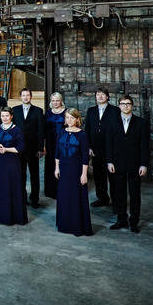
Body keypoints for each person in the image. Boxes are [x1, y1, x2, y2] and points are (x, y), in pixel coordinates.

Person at [107, 95, 150, 233]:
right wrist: (109, 161)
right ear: (119, 106)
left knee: (134, 194)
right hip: (117, 163)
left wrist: (144, 164)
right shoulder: (112, 122)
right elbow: (109, 144)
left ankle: (134, 222)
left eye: (128, 103)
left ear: (132, 106)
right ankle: (121, 219)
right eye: (123, 103)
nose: (125, 106)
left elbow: (145, 146)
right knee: (119, 193)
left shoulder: (141, 123)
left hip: (135, 164)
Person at [54, 108, 93, 237]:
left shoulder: (82, 135)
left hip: (76, 170)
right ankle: (64, 225)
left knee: (76, 197)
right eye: (67, 117)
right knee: (64, 196)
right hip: (63, 169)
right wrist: (57, 168)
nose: (69, 120)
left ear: (77, 119)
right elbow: (57, 152)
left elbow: (84, 157)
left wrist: (84, 174)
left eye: (72, 118)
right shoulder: (61, 132)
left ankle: (77, 226)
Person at [0, 107, 27, 226]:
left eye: (7, 116)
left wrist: (6, 149)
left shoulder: (17, 130)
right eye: (2, 116)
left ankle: (14, 216)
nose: (4, 118)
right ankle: (0, 214)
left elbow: (21, 148)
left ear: (11, 116)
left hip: (12, 163)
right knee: (0, 187)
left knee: (12, 187)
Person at [84, 86, 121, 208]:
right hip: (95, 149)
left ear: (107, 97)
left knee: (113, 177)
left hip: (112, 149)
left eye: (102, 94)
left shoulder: (115, 111)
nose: (100, 96)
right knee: (99, 176)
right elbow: (87, 130)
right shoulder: (91, 111)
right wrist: (88, 146)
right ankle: (102, 198)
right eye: (98, 94)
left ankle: (116, 202)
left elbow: (119, 131)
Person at [12, 88, 44, 208]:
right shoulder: (15, 110)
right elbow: (12, 129)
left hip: (33, 147)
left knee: (34, 174)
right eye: (23, 95)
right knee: (21, 174)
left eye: (28, 95)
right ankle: (22, 197)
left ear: (31, 97)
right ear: (20, 97)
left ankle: (34, 199)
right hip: (19, 148)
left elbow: (41, 131)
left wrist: (40, 147)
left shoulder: (38, 111)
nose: (26, 97)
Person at [44, 92, 67, 200]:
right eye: (53, 100)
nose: (55, 102)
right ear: (51, 102)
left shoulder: (66, 112)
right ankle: (50, 190)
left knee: (62, 165)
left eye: (57, 100)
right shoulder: (48, 113)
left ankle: (62, 190)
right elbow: (43, 129)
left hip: (63, 143)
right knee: (50, 165)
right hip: (50, 143)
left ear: (61, 101)